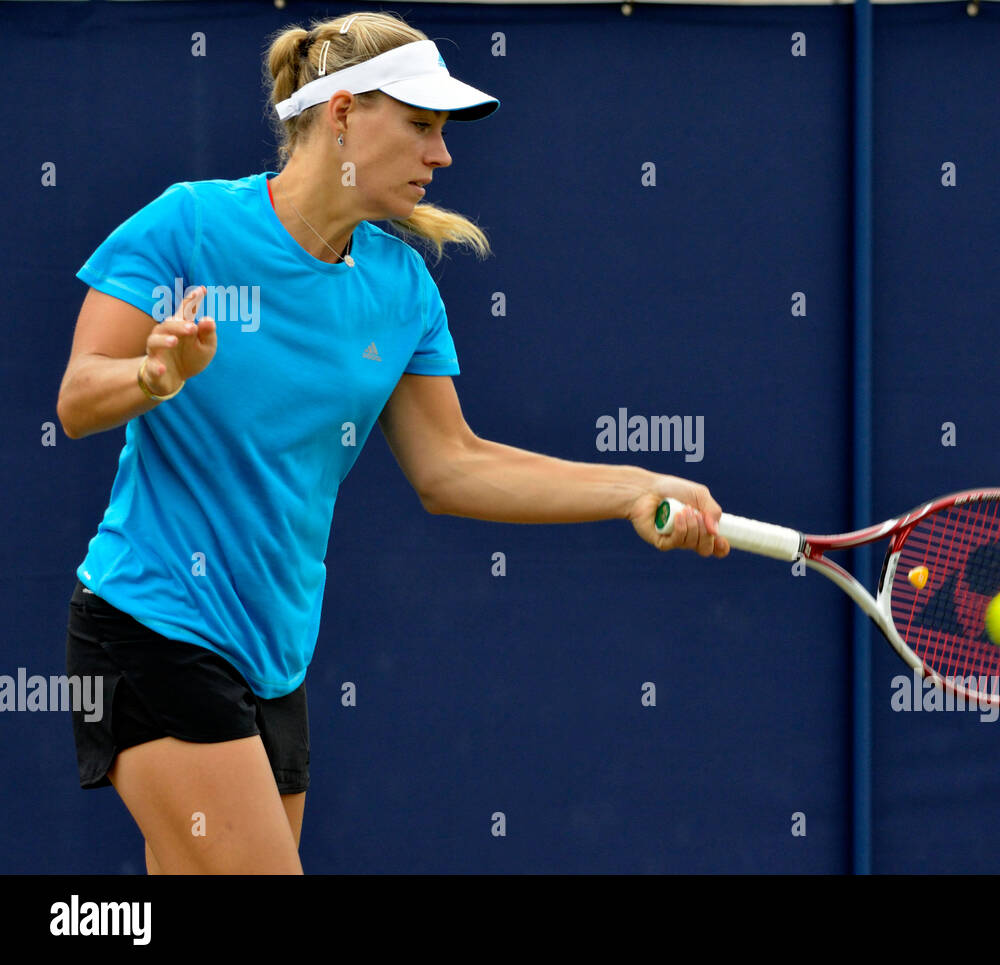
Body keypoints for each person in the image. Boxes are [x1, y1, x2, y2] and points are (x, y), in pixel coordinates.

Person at [57, 11, 728, 875]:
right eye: (419, 126)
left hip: (275, 659)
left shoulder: (401, 285)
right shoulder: (185, 228)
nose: (441, 156)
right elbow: (78, 398)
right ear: (340, 114)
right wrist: (152, 378)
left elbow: (453, 465)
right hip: (150, 626)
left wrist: (632, 486)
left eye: (442, 133)